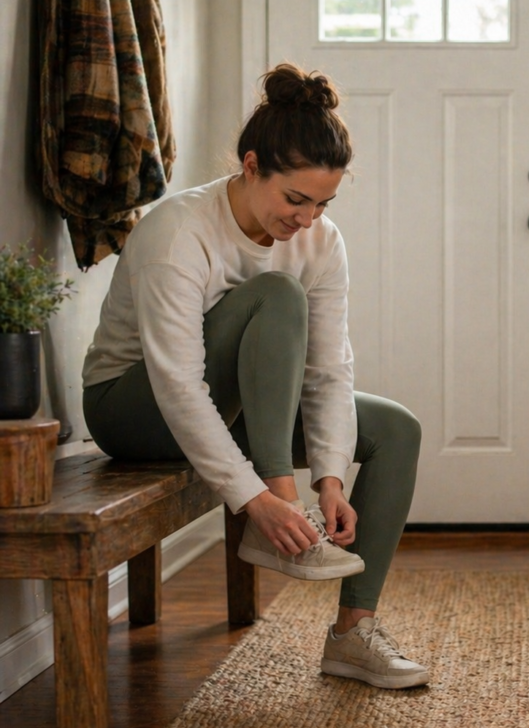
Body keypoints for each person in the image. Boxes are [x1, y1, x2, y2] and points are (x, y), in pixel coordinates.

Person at [81, 63, 428, 690]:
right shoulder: (179, 231)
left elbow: (327, 369)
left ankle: (353, 635)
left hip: (234, 407)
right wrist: (259, 500)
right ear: (249, 166)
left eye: (323, 203)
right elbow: (179, 384)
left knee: (395, 429)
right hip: (134, 407)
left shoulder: (321, 242)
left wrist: (330, 475)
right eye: (295, 199)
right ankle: (279, 515)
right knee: (277, 293)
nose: (307, 219)